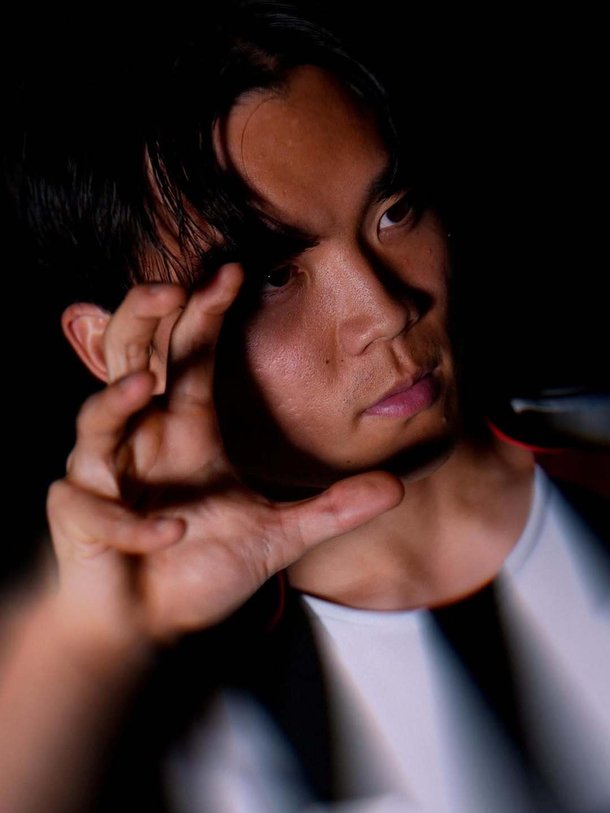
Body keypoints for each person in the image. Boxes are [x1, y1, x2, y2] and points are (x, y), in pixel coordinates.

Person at [2, 3, 609, 811]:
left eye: (393, 212)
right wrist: (88, 642)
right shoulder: (142, 706)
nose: (385, 310)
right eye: (272, 278)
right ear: (107, 342)